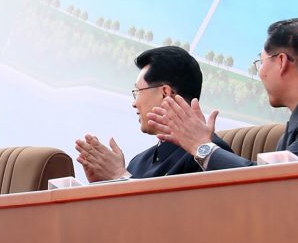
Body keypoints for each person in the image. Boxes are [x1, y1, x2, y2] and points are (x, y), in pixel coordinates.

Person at [149, 18, 298, 169]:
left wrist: (201, 146)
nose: (260, 73)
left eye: (261, 62)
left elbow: (272, 186)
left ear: (281, 62)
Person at [75, 46, 231, 181]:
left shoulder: (209, 156)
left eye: (137, 91)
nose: (134, 103)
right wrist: (103, 186)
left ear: (165, 92)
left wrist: (120, 177)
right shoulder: (138, 162)